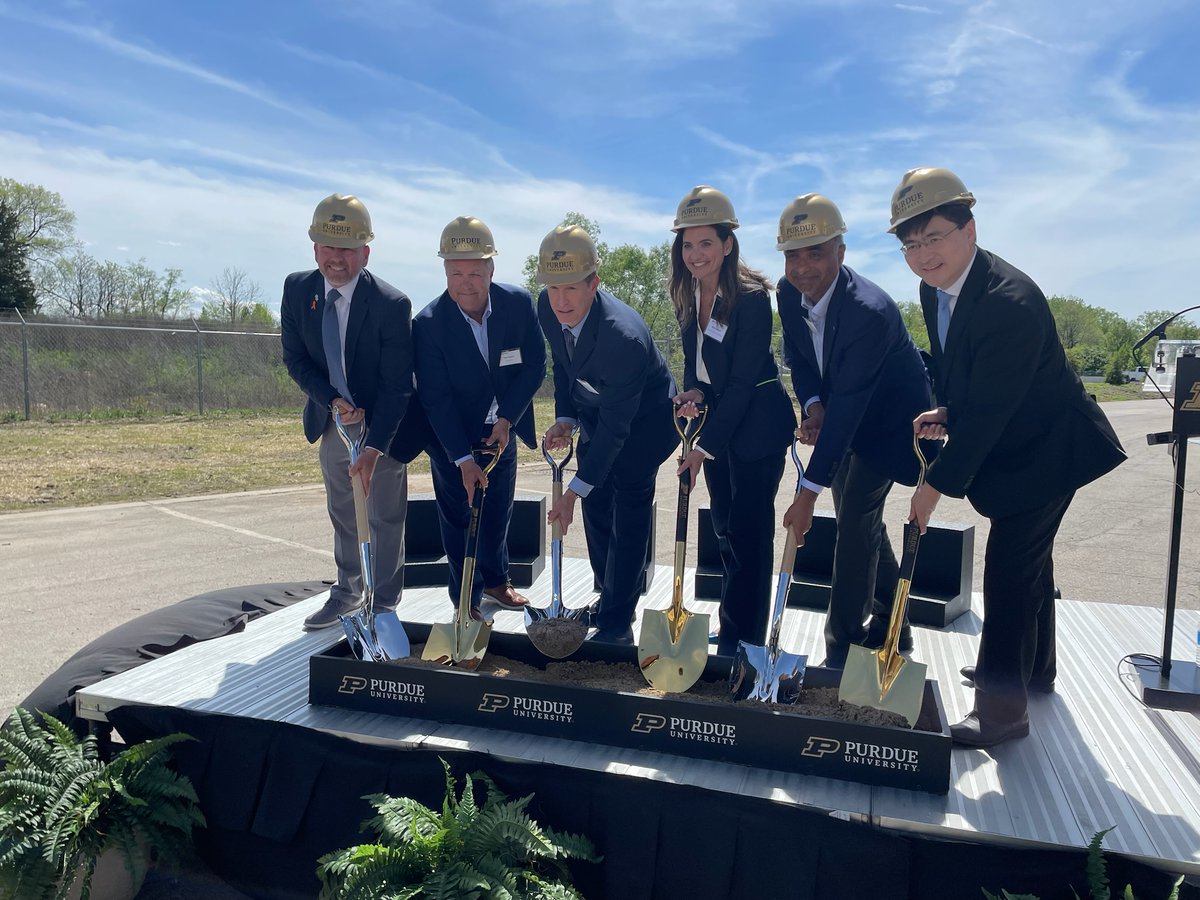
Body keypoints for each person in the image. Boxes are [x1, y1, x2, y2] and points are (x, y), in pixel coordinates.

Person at [891, 167, 1125, 747]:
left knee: (1009, 571)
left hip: (1050, 450)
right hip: (1018, 441)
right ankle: (1033, 671)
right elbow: (972, 378)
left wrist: (933, 486)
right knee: (1031, 565)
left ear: (969, 228)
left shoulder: (1009, 300)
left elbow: (994, 411)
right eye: (911, 244)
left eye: (934, 236)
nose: (923, 255)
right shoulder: (937, 288)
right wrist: (948, 409)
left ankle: (1002, 712)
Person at [775, 193, 935, 670]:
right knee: (858, 522)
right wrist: (813, 405)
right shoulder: (787, 293)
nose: (803, 267)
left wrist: (806, 496)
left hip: (890, 425)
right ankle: (895, 626)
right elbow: (800, 358)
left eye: (816, 252)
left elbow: (851, 411)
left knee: (853, 531)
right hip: (843, 409)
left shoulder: (868, 310)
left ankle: (841, 649)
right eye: (793, 255)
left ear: (841, 252)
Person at [668, 186, 796, 656]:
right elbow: (698, 364)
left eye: (706, 243)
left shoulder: (752, 299)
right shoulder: (685, 294)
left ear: (727, 244)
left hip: (757, 427)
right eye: (687, 244)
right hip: (719, 422)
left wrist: (703, 446)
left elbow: (743, 382)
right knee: (723, 526)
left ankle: (747, 642)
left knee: (748, 533)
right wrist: (693, 392)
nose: (696, 254)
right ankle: (732, 625)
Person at [538, 224, 678, 645]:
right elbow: (565, 365)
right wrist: (566, 418)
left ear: (594, 283)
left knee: (628, 509)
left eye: (572, 289)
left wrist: (572, 492)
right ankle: (608, 593)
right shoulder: (548, 309)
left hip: (645, 424)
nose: (561, 301)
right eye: (553, 288)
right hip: (600, 412)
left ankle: (619, 617)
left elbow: (620, 429)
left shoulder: (623, 338)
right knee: (597, 507)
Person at [280, 193, 416, 630]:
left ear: (365, 252)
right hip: (333, 420)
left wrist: (375, 446)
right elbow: (295, 357)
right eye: (328, 247)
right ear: (315, 249)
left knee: (384, 514)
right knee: (342, 508)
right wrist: (331, 399)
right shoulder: (297, 289)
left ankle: (384, 602)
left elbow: (399, 385)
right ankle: (347, 591)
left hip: (384, 423)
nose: (337, 258)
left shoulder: (391, 304)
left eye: (347, 249)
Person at [413, 216, 545, 619]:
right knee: (457, 518)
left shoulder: (518, 304)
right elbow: (435, 399)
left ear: (491, 269)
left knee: (499, 509)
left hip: (500, 430)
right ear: (445, 272)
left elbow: (534, 365)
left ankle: (496, 580)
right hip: (451, 437)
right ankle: (465, 600)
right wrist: (463, 460)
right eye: (456, 273)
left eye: (475, 272)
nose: (466, 282)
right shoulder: (429, 324)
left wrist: (507, 419)